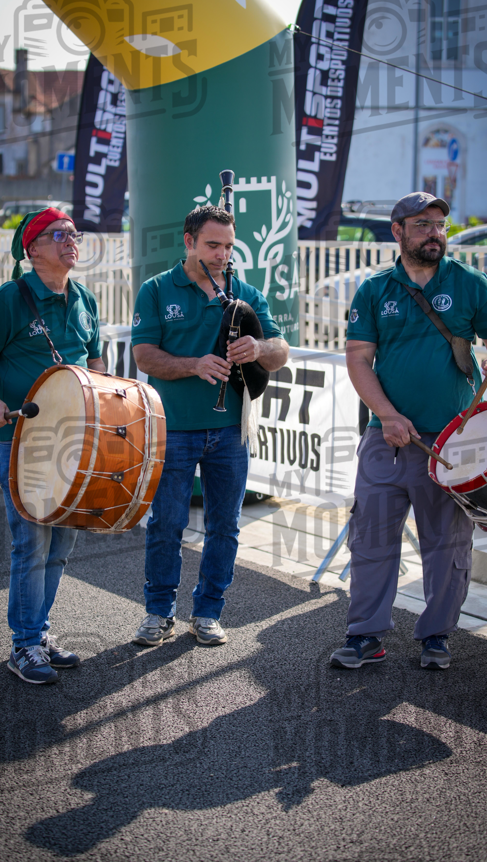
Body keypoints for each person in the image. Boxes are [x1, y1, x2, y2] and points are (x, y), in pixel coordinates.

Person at [330, 192, 487, 671]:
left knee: (447, 546)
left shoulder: (470, 283)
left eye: (441, 224)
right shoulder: (374, 289)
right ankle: (366, 636)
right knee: (371, 539)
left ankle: (436, 635)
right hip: (385, 438)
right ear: (397, 231)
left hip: (454, 441)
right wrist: (388, 416)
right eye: (423, 224)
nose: (435, 232)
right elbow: (358, 359)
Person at [131, 204, 289, 646]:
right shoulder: (157, 289)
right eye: (212, 245)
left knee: (226, 525)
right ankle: (158, 612)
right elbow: (144, 356)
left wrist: (258, 347)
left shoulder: (246, 292)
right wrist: (193, 365)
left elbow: (281, 352)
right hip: (172, 427)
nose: (222, 255)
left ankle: (208, 612)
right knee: (167, 523)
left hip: (230, 433)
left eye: (228, 246)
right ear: (189, 241)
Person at [0, 208, 106, 684]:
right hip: (21, 438)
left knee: (62, 541)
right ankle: (24, 645)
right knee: (31, 542)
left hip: (75, 440)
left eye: (74, 234)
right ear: (33, 249)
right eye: (60, 235)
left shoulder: (85, 298)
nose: (72, 241)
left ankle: (38, 634)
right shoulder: (9, 299)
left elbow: (96, 361)